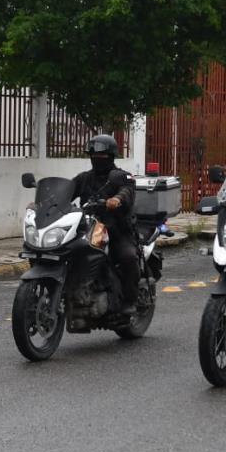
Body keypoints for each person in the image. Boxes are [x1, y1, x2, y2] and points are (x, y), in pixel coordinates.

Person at [72, 134, 139, 316]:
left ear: (110, 157)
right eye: (94, 156)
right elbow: (67, 191)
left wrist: (117, 199)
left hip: (116, 230)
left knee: (127, 256)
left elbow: (127, 191)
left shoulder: (122, 177)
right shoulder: (84, 178)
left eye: (101, 157)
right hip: (88, 228)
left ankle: (130, 299)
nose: (97, 160)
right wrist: (47, 203)